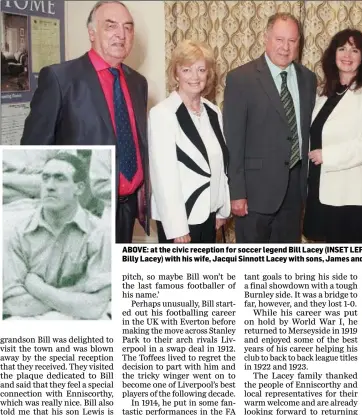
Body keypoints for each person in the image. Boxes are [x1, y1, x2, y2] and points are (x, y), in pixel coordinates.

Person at [20, 0, 150, 243]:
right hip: (80, 213)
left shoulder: (137, 82)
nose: (121, 35)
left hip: (128, 207)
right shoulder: (60, 78)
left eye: (128, 27)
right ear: (92, 32)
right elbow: (33, 150)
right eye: (111, 26)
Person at [223, 12, 317, 243]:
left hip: (294, 194)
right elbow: (233, 142)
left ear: (299, 43)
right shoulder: (240, 79)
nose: (285, 47)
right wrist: (237, 193)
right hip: (254, 196)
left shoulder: (308, 79)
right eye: (279, 39)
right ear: (266, 38)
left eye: (292, 41)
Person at [3, 153, 111, 320]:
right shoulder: (15, 232)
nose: (50, 186)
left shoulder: (100, 232)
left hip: (83, 323)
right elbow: (15, 305)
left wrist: (38, 288)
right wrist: (77, 291)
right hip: (28, 322)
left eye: (60, 178)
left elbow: (95, 307)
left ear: (80, 188)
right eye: (45, 178)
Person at [303, 29, 362, 243]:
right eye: (342, 49)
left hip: (355, 198)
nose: (347, 55)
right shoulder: (322, 94)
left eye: (354, 50)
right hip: (323, 191)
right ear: (333, 54)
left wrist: (327, 156)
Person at [148, 40, 230, 243]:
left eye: (201, 70)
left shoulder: (213, 111)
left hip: (209, 216)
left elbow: (220, 165)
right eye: (187, 70)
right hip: (181, 221)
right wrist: (177, 228)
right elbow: (163, 176)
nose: (195, 77)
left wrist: (221, 209)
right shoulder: (163, 114)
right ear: (176, 74)